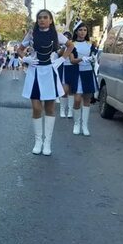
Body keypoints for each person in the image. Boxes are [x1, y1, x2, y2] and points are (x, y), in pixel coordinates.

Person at [18, 9, 74, 156]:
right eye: (40, 18)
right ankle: (38, 141)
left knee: (49, 108)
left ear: (50, 20)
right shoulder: (31, 34)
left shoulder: (56, 35)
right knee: (36, 108)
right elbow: (20, 49)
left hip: (49, 72)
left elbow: (71, 46)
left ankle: (47, 142)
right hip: (35, 72)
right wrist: (25, 58)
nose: (42, 20)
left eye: (45, 17)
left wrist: (61, 60)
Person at [69, 22, 98, 136]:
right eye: (80, 30)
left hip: (88, 74)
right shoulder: (72, 44)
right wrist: (82, 59)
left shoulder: (91, 44)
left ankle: (85, 126)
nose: (82, 32)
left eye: (84, 30)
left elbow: (95, 57)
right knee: (77, 99)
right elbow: (72, 60)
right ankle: (76, 123)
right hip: (77, 74)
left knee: (87, 100)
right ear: (76, 31)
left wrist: (93, 59)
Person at [57, 31, 76, 118]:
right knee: (64, 90)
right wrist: (64, 46)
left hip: (73, 68)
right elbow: (60, 54)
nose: (66, 39)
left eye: (68, 38)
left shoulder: (74, 45)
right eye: (64, 37)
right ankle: (62, 109)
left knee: (71, 91)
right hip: (64, 67)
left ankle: (70, 111)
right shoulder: (60, 46)